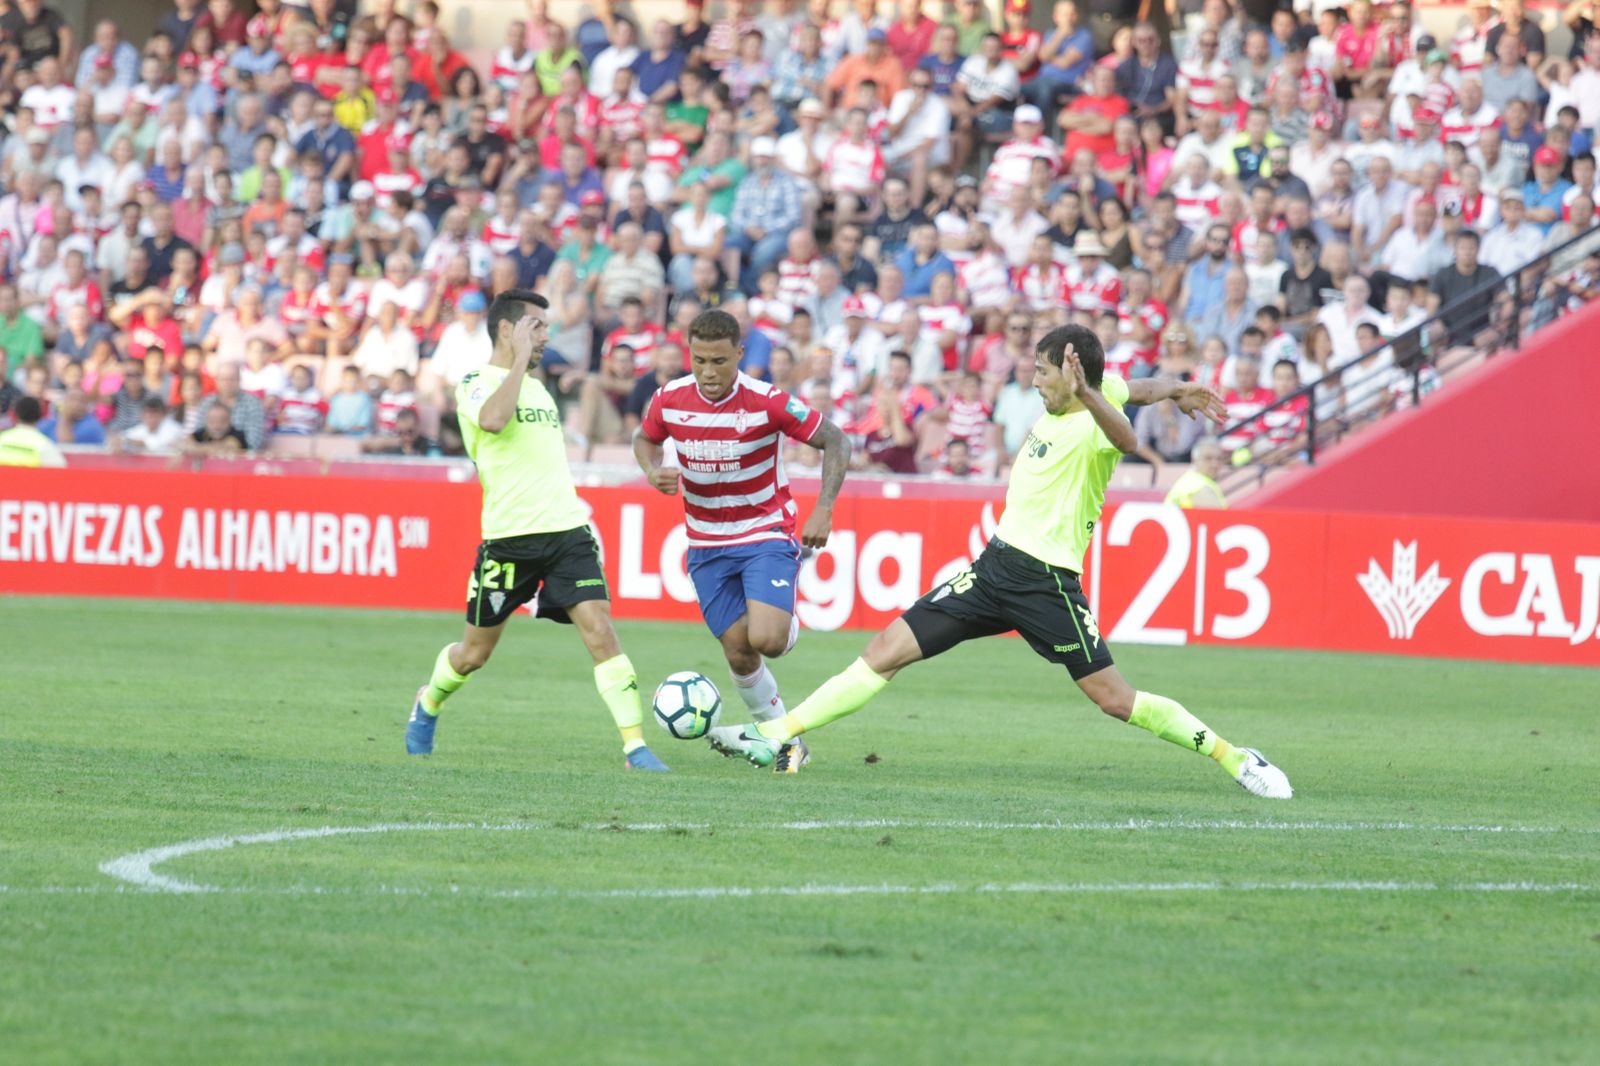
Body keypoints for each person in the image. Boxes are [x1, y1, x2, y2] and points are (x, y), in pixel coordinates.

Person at [708, 323, 1293, 799]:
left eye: (1041, 372)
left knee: (1115, 700)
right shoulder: (1099, 391)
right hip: (993, 569)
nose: (1033, 381)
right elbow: (1132, 387)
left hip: (1046, 583)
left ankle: (1235, 756)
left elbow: (1127, 440)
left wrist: (1091, 393)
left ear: (1072, 375)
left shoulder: (1092, 419)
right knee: (885, 650)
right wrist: (1176, 386)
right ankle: (776, 733)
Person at [405, 289, 671, 772]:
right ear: (508, 330)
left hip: (567, 531)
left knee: (601, 633)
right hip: (509, 540)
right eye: (538, 327)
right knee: (473, 655)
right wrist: (520, 361)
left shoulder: (539, 387)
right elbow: (493, 420)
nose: (547, 336)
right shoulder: (475, 382)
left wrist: (525, 364)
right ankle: (429, 703)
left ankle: (636, 748)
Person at [633, 308, 853, 772]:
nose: (709, 373)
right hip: (706, 544)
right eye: (699, 361)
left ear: (739, 353)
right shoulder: (668, 399)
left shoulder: (768, 401)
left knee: (767, 639)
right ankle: (783, 741)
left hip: (764, 531)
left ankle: (785, 612)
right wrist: (653, 471)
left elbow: (836, 440)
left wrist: (825, 507)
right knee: (739, 650)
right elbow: (643, 437)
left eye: (719, 361)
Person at [0, 396, 66, 467]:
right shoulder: (44, 444)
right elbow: (59, 471)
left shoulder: (2, 439)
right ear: (40, 415)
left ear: (15, 414)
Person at [1164, 439, 1228, 508]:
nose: (1215, 464)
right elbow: (1216, 515)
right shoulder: (1197, 485)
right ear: (1194, 460)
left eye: (1219, 459)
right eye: (1208, 458)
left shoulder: (1190, 479)